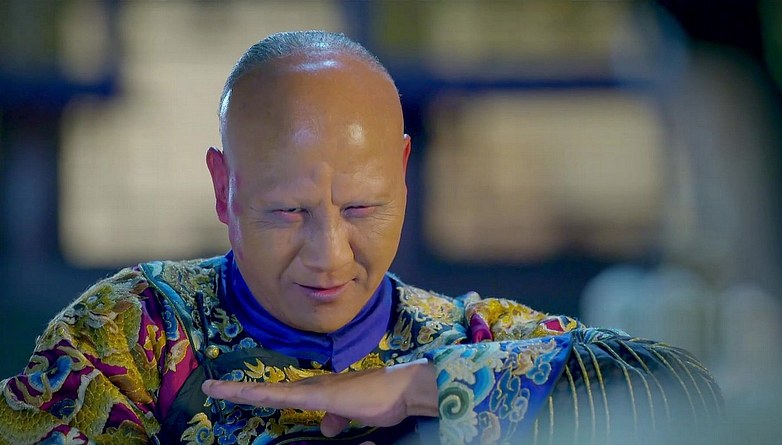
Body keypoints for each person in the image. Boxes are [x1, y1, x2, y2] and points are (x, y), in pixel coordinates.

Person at [0, 31, 721, 445]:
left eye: (361, 207)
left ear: (402, 175)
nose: (330, 255)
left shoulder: (467, 339)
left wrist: (424, 386)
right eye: (289, 212)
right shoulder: (137, 332)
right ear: (224, 188)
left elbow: (685, 390)